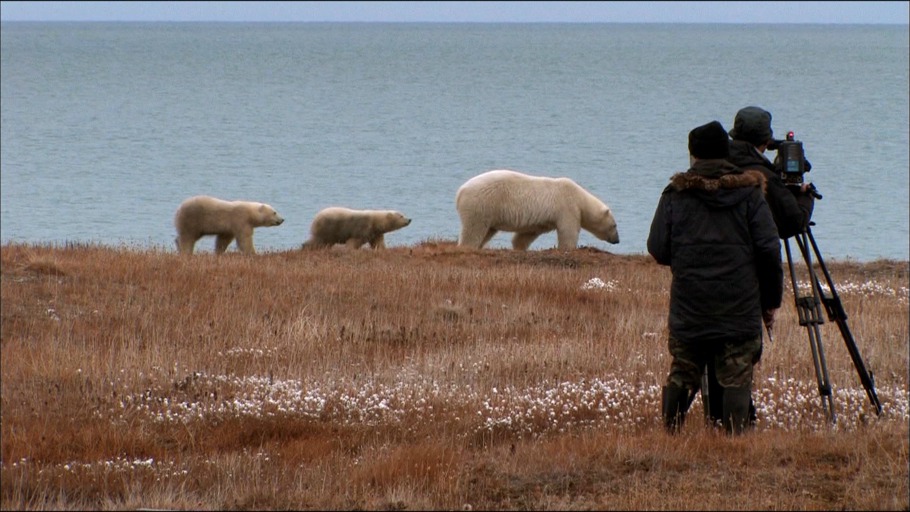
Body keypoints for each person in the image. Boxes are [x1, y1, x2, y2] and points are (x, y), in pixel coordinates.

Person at [647, 120, 783, 435]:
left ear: (693, 155)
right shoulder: (750, 194)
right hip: (739, 310)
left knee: (683, 372)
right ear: (726, 153)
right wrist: (770, 302)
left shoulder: (675, 194)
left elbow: (658, 249)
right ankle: (735, 437)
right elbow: (769, 251)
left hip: (690, 310)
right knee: (736, 375)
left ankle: (670, 434)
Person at [702, 106, 817, 428]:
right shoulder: (761, 176)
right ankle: (738, 422)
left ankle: (716, 419)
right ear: (766, 141)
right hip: (745, 280)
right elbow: (790, 223)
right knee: (740, 350)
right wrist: (804, 196)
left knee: (714, 345)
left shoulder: (718, 168)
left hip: (710, 275)